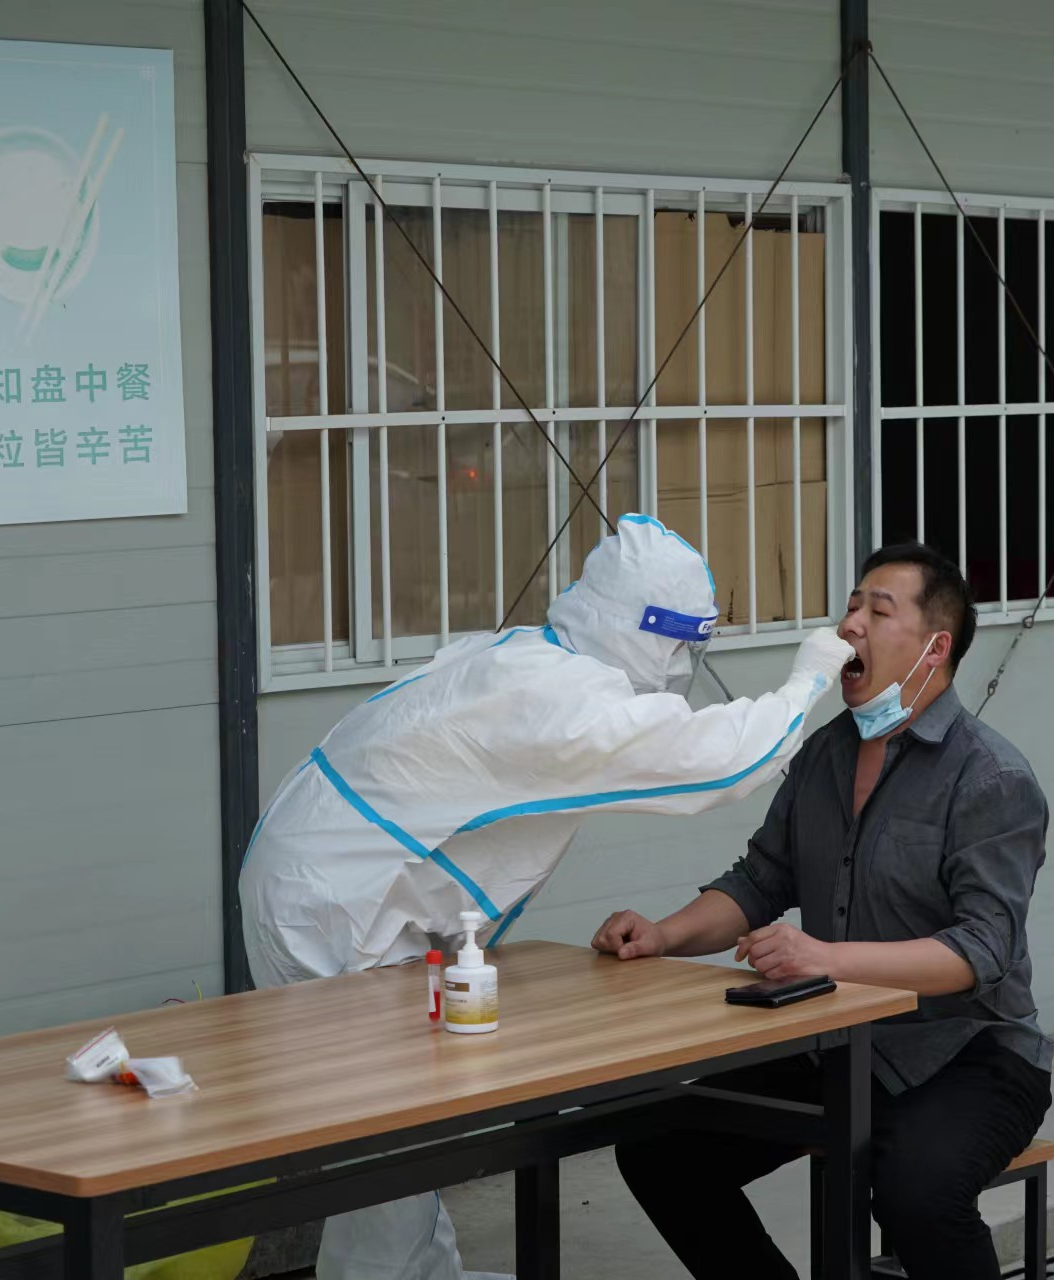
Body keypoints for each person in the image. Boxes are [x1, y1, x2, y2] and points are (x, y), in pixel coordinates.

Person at [240, 513, 854, 1280]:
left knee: (399, 1121)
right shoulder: (560, 702)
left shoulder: (534, 660)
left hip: (345, 889)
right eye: (679, 645)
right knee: (385, 1126)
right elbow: (720, 762)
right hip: (331, 907)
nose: (682, 666)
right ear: (641, 630)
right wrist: (808, 679)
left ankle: (418, 1273)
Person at [593, 543, 1052, 1279]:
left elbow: (981, 950)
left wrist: (824, 958)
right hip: (837, 1047)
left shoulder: (990, 776)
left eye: (878, 610)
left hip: (971, 1055)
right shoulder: (823, 755)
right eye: (850, 606)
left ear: (935, 648)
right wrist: (662, 935)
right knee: (660, 1149)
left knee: (915, 1193)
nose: (850, 626)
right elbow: (759, 880)